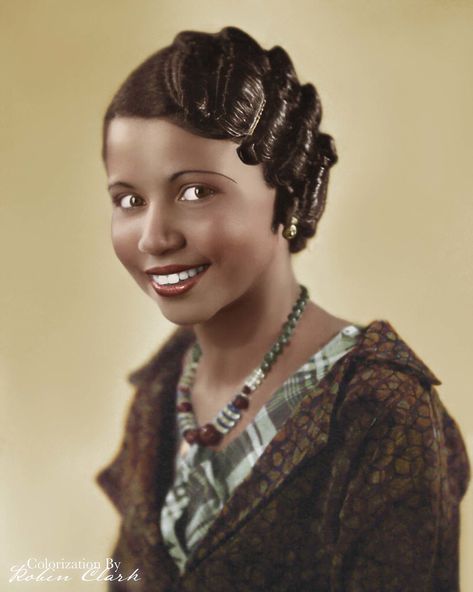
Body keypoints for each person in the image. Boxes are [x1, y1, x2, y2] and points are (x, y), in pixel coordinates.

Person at [96, 26, 470, 591]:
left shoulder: (379, 413)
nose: (152, 237)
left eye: (195, 191)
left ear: (287, 194)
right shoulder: (160, 389)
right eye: (129, 200)